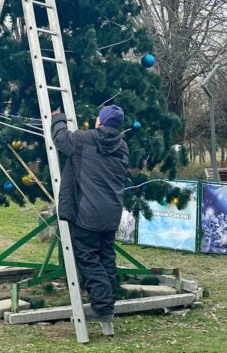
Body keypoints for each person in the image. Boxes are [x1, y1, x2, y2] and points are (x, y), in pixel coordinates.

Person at [53, 104, 129, 337]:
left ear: (100, 121)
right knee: (106, 257)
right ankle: (107, 304)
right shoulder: (123, 146)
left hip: (87, 212)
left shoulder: (85, 139)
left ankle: (102, 305)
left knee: (87, 257)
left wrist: (57, 117)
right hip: (111, 213)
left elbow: (61, 139)